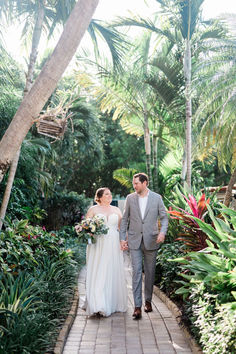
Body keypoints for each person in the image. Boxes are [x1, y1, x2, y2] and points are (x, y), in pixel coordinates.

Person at [119, 173, 168, 319]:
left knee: (150, 273)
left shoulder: (157, 198)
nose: (134, 186)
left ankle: (148, 301)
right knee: (136, 272)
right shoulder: (130, 198)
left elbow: (164, 218)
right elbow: (125, 219)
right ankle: (137, 306)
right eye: (133, 184)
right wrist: (122, 238)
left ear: (145, 183)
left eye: (137, 183)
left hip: (152, 240)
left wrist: (162, 233)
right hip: (134, 241)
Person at [84, 187, 127, 317]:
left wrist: (123, 241)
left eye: (110, 194)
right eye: (107, 194)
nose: (110, 196)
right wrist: (89, 231)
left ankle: (111, 302)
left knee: (111, 270)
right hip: (98, 244)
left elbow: (121, 228)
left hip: (113, 243)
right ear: (100, 196)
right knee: (99, 270)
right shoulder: (93, 210)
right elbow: (86, 226)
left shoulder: (117, 210)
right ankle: (97, 304)